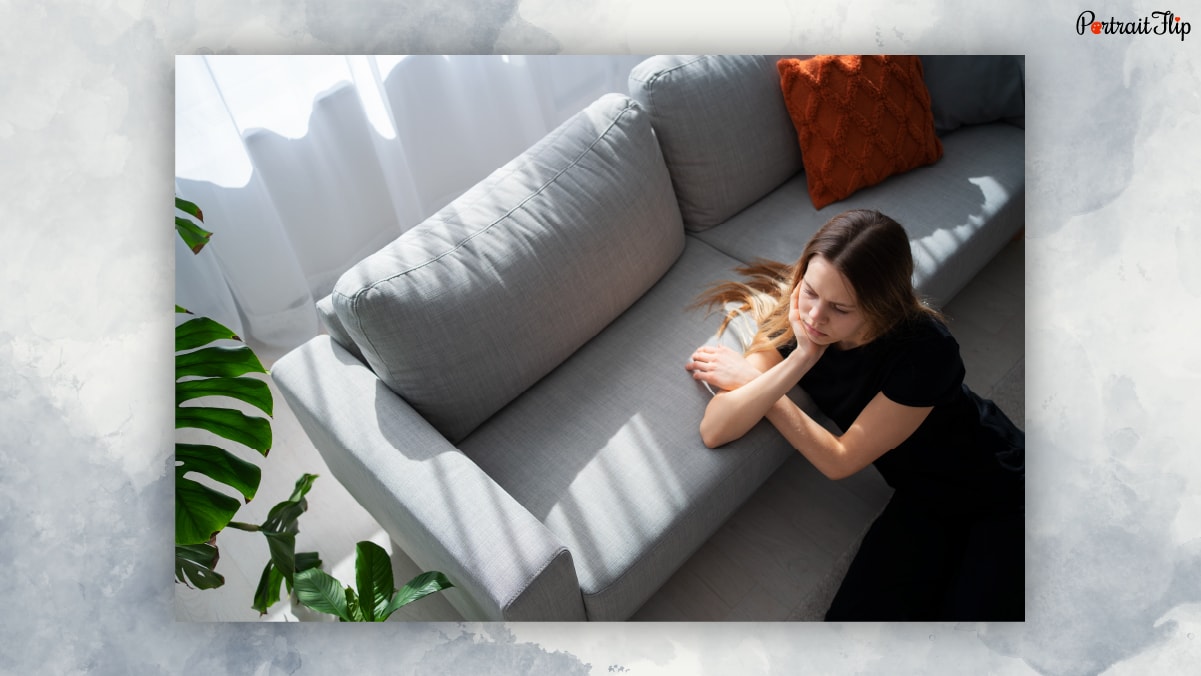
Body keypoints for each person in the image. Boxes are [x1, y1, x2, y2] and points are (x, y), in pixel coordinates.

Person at [684, 209, 1023, 621]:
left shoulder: (926, 352)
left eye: (840, 309)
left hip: (999, 487)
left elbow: (840, 459)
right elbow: (715, 429)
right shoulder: (797, 321)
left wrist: (770, 392)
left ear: (880, 307)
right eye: (810, 291)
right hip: (921, 498)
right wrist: (798, 361)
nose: (814, 317)